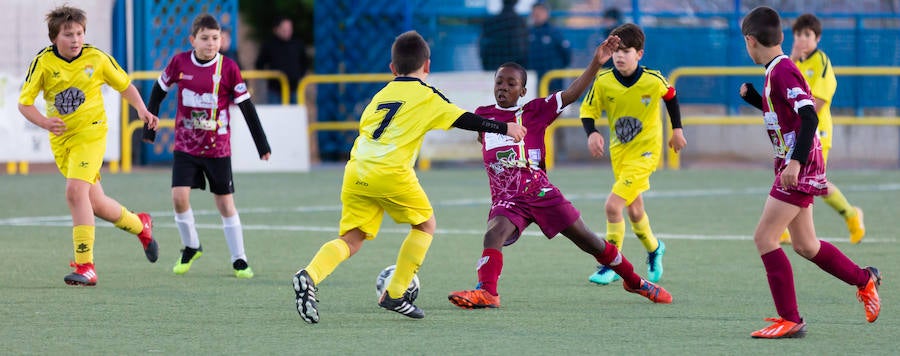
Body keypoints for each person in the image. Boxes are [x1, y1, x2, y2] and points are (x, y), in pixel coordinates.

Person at [291, 30, 527, 324]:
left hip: (356, 169)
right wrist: (504, 128)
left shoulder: (381, 94)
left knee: (351, 239)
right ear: (427, 65)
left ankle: (309, 274)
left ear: (392, 68)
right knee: (425, 224)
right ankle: (396, 293)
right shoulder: (426, 95)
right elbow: (464, 118)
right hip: (390, 172)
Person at [447, 37, 673, 310]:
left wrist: (596, 63)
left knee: (590, 241)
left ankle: (635, 281)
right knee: (492, 235)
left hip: (540, 192)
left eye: (511, 84)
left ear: (522, 91)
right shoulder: (483, 116)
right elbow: (482, 140)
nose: (504, 88)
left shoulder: (534, 111)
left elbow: (572, 94)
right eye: (499, 82)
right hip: (508, 199)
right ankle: (487, 292)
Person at [737, 6, 881, 339]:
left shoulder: (784, 71)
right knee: (806, 245)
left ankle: (791, 319)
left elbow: (810, 117)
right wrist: (756, 99)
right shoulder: (777, 70)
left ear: (750, 41)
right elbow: (786, 113)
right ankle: (865, 279)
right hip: (794, 161)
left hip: (798, 164)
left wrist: (796, 162)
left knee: (765, 238)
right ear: (782, 37)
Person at [17, 5, 160, 286]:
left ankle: (86, 266)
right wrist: (46, 122)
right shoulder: (43, 63)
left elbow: (125, 86)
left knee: (74, 192)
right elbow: (24, 104)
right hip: (63, 141)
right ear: (54, 38)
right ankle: (140, 225)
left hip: (92, 134)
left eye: (79, 33)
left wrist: (142, 110)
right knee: (95, 204)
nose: (75, 40)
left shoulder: (97, 58)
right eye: (68, 34)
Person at [143, 14, 272, 279]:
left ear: (222, 40)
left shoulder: (229, 68)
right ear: (193, 40)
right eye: (204, 38)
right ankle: (191, 246)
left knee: (225, 204)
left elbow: (247, 108)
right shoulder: (179, 62)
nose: (210, 43)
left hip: (217, 149)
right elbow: (158, 90)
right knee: (179, 198)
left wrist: (262, 145)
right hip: (186, 146)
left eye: (215, 38)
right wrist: (149, 128)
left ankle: (239, 259)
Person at [580, 23, 686, 286]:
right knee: (635, 211)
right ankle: (654, 248)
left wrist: (677, 130)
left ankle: (610, 264)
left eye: (626, 50)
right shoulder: (604, 81)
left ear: (639, 54)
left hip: (647, 154)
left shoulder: (653, 79)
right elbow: (587, 110)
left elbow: (671, 96)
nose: (619, 56)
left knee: (612, 206)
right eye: (616, 50)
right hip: (620, 154)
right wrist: (592, 132)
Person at [779, 13, 864, 244]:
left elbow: (817, 103)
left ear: (817, 38)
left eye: (807, 34)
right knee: (797, 179)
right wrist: (792, 59)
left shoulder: (821, 62)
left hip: (817, 132)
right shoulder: (792, 63)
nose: (801, 39)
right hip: (795, 133)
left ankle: (850, 215)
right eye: (798, 34)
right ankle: (788, 227)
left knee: (813, 182)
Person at [255, 16, 308, 104]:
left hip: (294, 89)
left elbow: (304, 62)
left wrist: (299, 76)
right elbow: (259, 64)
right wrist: (270, 77)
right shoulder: (269, 45)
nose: (287, 32)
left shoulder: (297, 44)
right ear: (276, 30)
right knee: (275, 115)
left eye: (289, 29)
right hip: (275, 90)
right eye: (284, 29)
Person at [528, 1, 571, 93]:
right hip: (532, 81)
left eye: (541, 11)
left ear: (546, 13)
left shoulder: (554, 32)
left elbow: (566, 54)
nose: (537, 14)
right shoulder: (527, 33)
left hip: (553, 82)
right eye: (535, 11)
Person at [479, 0, 529, 70]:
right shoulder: (520, 23)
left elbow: (483, 50)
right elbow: (522, 51)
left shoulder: (491, 22)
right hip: (513, 70)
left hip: (495, 69)